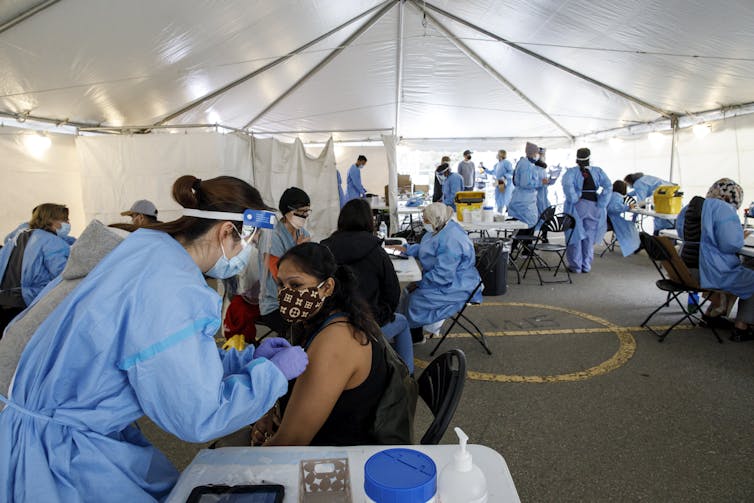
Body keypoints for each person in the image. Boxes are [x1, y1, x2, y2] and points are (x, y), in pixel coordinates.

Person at [0, 175, 308, 502]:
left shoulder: (147, 249)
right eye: (248, 242)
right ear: (227, 232)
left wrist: (243, 360)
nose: (246, 253)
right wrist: (270, 376)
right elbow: (197, 415)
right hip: (55, 454)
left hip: (51, 420)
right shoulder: (170, 286)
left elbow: (163, 353)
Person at [255, 243, 390, 446]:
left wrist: (252, 458)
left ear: (327, 287)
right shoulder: (323, 319)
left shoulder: (336, 340)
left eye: (296, 285)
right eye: (281, 285)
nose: (285, 294)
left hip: (335, 457)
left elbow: (291, 442)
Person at [322, 199, 414, 373]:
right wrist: (381, 316)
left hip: (329, 329)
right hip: (367, 327)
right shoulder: (377, 251)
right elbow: (393, 293)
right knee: (401, 321)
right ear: (369, 221)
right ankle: (406, 377)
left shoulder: (324, 249)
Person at [676, 178, 754, 341]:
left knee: (742, 270)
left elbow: (682, 234)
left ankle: (711, 315)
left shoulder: (690, 207)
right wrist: (740, 235)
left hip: (683, 270)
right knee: (749, 276)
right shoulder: (723, 209)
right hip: (709, 273)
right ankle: (742, 327)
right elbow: (730, 245)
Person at [397, 203, 481, 340]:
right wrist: (406, 249)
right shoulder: (441, 229)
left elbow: (443, 274)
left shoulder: (452, 240)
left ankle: (412, 336)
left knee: (415, 299)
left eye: (426, 220)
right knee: (406, 293)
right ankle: (409, 333)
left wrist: (420, 284)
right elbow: (428, 249)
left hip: (457, 285)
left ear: (436, 219)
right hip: (446, 279)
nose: (424, 222)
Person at [0, 204, 73, 332]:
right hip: (29, 301)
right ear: (51, 220)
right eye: (65, 219)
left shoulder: (19, 237)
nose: (67, 223)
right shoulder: (51, 242)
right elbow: (63, 273)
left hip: (4, 297)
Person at [259, 187, 312, 337]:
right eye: (300, 212)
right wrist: (299, 252)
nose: (304, 216)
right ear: (287, 210)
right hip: (275, 304)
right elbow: (282, 280)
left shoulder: (303, 233)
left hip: (299, 297)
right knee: (304, 329)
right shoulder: (272, 237)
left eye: (307, 211)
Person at [562, 148, 612, 273]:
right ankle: (586, 265)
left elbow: (567, 185)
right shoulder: (597, 171)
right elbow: (608, 186)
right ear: (590, 158)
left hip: (578, 206)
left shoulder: (571, 172)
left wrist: (574, 198)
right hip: (594, 206)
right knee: (589, 236)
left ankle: (576, 266)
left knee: (575, 235)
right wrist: (602, 202)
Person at [607, 180, 640, 256]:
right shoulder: (617, 196)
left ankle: (633, 246)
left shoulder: (610, 195)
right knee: (631, 226)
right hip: (614, 220)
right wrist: (628, 207)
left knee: (630, 225)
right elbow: (614, 208)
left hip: (608, 219)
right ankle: (633, 246)